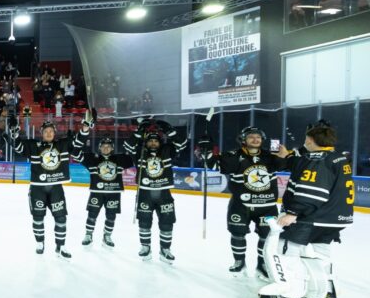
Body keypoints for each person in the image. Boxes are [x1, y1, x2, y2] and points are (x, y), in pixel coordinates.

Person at [259, 121, 353, 298]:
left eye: (306, 139)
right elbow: (301, 164)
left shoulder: (318, 160)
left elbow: (312, 190)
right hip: (333, 220)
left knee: (286, 251)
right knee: (319, 256)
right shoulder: (337, 157)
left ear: (310, 140)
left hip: (310, 218)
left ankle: (290, 293)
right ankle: (321, 295)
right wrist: (287, 156)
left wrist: (293, 213)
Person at [198, 126, 295, 277]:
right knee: (237, 234)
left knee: (266, 236)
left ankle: (262, 264)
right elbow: (211, 164)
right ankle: (239, 262)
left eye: (258, 137)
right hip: (241, 206)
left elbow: (291, 166)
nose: (255, 140)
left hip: (267, 207)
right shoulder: (233, 156)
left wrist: (285, 156)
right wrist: (206, 149)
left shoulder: (271, 156)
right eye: (251, 137)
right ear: (243, 140)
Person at [12, 116, 91, 258]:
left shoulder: (63, 144)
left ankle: (60, 246)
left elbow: (78, 142)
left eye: (51, 131)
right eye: (46, 131)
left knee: (61, 218)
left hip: (56, 189)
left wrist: (85, 128)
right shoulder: (33, 146)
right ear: (41, 133)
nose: (48, 133)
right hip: (37, 188)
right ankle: (40, 243)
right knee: (38, 218)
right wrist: (15, 134)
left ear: (54, 133)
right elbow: (19, 148)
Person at [124, 118, 189, 263]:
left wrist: (169, 130)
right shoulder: (139, 152)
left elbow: (182, 143)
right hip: (145, 194)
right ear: (146, 142)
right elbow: (128, 145)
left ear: (160, 142)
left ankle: (165, 250)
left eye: (156, 141)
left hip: (164, 194)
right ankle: (145, 247)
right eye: (150, 141)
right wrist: (139, 131)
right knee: (144, 222)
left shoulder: (167, 151)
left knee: (167, 223)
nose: (153, 143)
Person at [72, 132, 133, 248]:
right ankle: (88, 235)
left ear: (112, 148)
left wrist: (137, 138)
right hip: (97, 193)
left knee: (111, 216)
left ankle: (107, 236)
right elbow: (75, 154)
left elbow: (136, 158)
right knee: (92, 215)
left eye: (108, 146)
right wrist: (79, 140)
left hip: (114, 193)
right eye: (103, 146)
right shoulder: (91, 158)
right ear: (99, 148)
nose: (106, 148)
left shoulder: (120, 159)